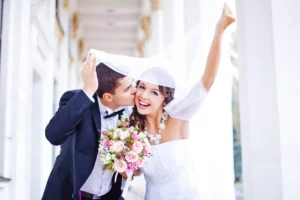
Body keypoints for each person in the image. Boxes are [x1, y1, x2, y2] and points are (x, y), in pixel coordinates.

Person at [126, 3, 236, 199]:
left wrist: (219, 31)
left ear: (164, 99)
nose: (144, 96)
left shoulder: (178, 117)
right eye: (142, 87)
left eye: (154, 92)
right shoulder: (132, 131)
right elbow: (136, 172)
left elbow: (207, 82)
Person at [42, 54, 136, 200]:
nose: (135, 90)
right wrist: (88, 90)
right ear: (108, 97)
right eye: (128, 88)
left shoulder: (132, 113)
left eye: (133, 83)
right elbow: (53, 135)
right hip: (69, 195)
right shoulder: (79, 100)